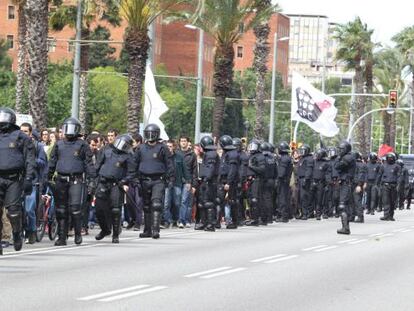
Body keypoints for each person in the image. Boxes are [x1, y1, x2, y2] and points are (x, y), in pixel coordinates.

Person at [48, 117, 96, 246]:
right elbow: (52, 162)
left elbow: (89, 164)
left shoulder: (82, 144)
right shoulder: (59, 144)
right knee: (61, 210)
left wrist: (92, 180)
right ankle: (62, 237)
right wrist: (47, 177)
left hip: (76, 180)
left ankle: (77, 233)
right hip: (61, 179)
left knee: (75, 208)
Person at [0, 108, 35, 254]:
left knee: (13, 212)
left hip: (14, 179)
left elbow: (29, 159)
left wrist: (28, 178)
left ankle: (16, 233)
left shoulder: (21, 137)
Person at [135, 124, 174, 239]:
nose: (150, 135)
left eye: (153, 133)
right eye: (148, 133)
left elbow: (169, 164)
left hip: (158, 180)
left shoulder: (163, 148)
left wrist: (170, 178)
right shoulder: (140, 148)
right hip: (144, 180)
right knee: (146, 206)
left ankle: (155, 230)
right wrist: (134, 178)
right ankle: (147, 230)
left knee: (156, 204)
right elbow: (134, 164)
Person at [94, 134, 136, 243]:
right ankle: (105, 229)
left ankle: (116, 234)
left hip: (116, 184)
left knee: (116, 209)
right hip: (103, 182)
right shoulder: (106, 150)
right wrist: (93, 180)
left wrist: (124, 181)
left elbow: (132, 173)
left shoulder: (128, 156)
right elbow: (97, 166)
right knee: (99, 209)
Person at [20, 123, 48, 244]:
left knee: (29, 209)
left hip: (33, 182)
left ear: (30, 133)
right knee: (18, 210)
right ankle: (19, 232)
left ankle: (31, 231)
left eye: (26, 131)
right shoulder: (16, 145)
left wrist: (30, 159)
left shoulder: (38, 146)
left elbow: (43, 163)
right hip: (18, 182)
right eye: (21, 131)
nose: (23, 133)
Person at [163, 140, 191, 229]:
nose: (169, 148)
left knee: (177, 203)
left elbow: (185, 170)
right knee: (166, 203)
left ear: (174, 147)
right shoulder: (163, 157)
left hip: (177, 182)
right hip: (166, 183)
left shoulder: (179, 157)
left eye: (170, 146)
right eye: (167, 146)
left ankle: (177, 220)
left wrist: (188, 181)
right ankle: (167, 220)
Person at [194, 136, 220, 231]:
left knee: (208, 202)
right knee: (202, 203)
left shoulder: (211, 154)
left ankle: (210, 224)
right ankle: (203, 222)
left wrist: (207, 179)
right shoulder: (209, 153)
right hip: (206, 181)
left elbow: (211, 168)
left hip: (210, 181)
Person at [336, 141, 356, 235]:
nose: (339, 151)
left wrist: (338, 158)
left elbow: (337, 166)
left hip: (347, 184)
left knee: (342, 205)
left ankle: (346, 228)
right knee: (344, 205)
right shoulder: (347, 157)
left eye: (341, 149)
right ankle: (345, 227)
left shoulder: (348, 157)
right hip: (345, 183)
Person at [245, 139, 266, 226]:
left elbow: (262, 169)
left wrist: (252, 167)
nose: (251, 148)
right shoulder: (250, 155)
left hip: (256, 180)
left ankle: (257, 219)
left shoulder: (260, 156)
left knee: (255, 200)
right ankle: (253, 217)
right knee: (250, 200)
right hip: (249, 180)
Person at [125, 133, 143, 231]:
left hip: (139, 180)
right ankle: (133, 219)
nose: (132, 144)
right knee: (129, 202)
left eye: (134, 142)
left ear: (139, 142)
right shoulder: (128, 152)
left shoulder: (142, 152)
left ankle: (138, 223)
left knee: (138, 202)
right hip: (130, 179)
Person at [178, 136, 197, 227]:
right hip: (177, 180)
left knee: (185, 201)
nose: (183, 143)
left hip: (188, 181)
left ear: (188, 142)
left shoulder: (192, 154)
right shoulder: (177, 153)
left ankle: (184, 220)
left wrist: (194, 185)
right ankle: (179, 219)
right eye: (181, 141)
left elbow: (194, 171)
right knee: (178, 201)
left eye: (185, 141)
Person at [377, 152, 400, 221]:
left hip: (393, 185)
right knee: (386, 201)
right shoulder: (383, 166)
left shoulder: (397, 166)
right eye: (388, 158)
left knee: (392, 201)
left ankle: (391, 215)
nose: (390, 159)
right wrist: (377, 184)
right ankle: (386, 215)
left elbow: (399, 176)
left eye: (391, 158)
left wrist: (398, 185)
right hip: (385, 185)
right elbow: (379, 175)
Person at [260, 142, 277, 224]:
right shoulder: (272, 158)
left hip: (264, 180)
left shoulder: (262, 158)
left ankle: (265, 218)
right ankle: (269, 217)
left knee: (264, 200)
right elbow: (276, 171)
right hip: (272, 180)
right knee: (269, 199)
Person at [312, 148, 331, 220]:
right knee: (314, 199)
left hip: (321, 183)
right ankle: (313, 212)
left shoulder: (326, 163)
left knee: (322, 199)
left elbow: (328, 174)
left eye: (318, 154)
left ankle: (321, 213)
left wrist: (327, 183)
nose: (317, 155)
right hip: (314, 182)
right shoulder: (315, 162)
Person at [276, 141, 292, 222]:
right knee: (284, 198)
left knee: (282, 198)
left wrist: (278, 178)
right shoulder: (287, 157)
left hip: (283, 180)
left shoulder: (284, 158)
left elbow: (281, 172)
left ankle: (283, 216)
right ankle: (284, 215)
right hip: (286, 180)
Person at [297, 144, 314, 220]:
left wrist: (306, 179)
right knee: (300, 197)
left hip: (305, 179)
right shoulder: (302, 159)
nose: (301, 152)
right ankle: (302, 212)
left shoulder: (309, 159)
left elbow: (309, 170)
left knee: (304, 197)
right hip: (300, 179)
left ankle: (305, 213)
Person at [353, 152, 367, 223]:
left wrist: (359, 185)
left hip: (357, 185)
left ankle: (360, 217)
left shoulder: (360, 165)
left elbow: (361, 175)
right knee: (352, 201)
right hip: (353, 184)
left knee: (357, 201)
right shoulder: (355, 164)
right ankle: (352, 216)